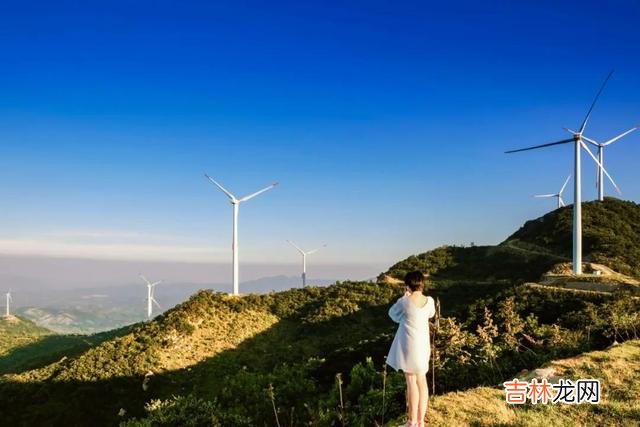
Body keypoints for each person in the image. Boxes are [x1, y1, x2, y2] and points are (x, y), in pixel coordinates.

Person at [386, 271, 436, 427]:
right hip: (423, 345)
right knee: (422, 381)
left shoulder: (404, 301)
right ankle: (420, 422)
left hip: (409, 346)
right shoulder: (429, 301)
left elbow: (392, 314)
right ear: (422, 284)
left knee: (411, 382)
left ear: (407, 285)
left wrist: (404, 299)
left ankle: (411, 422)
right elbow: (431, 314)